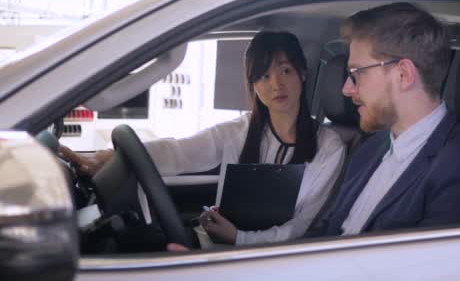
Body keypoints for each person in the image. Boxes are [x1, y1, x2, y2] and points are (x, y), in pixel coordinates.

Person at [62, 31, 346, 246]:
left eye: (285, 70)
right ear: (253, 85)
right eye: (263, 76)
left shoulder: (329, 145)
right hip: (222, 247)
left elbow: (304, 226)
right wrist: (110, 160)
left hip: (271, 259)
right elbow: (180, 152)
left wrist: (240, 238)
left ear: (303, 73)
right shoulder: (241, 130)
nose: (276, 85)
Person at [309, 2, 460, 237]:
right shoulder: (369, 149)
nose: (346, 89)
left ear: (403, 74)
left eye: (356, 74)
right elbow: (326, 232)